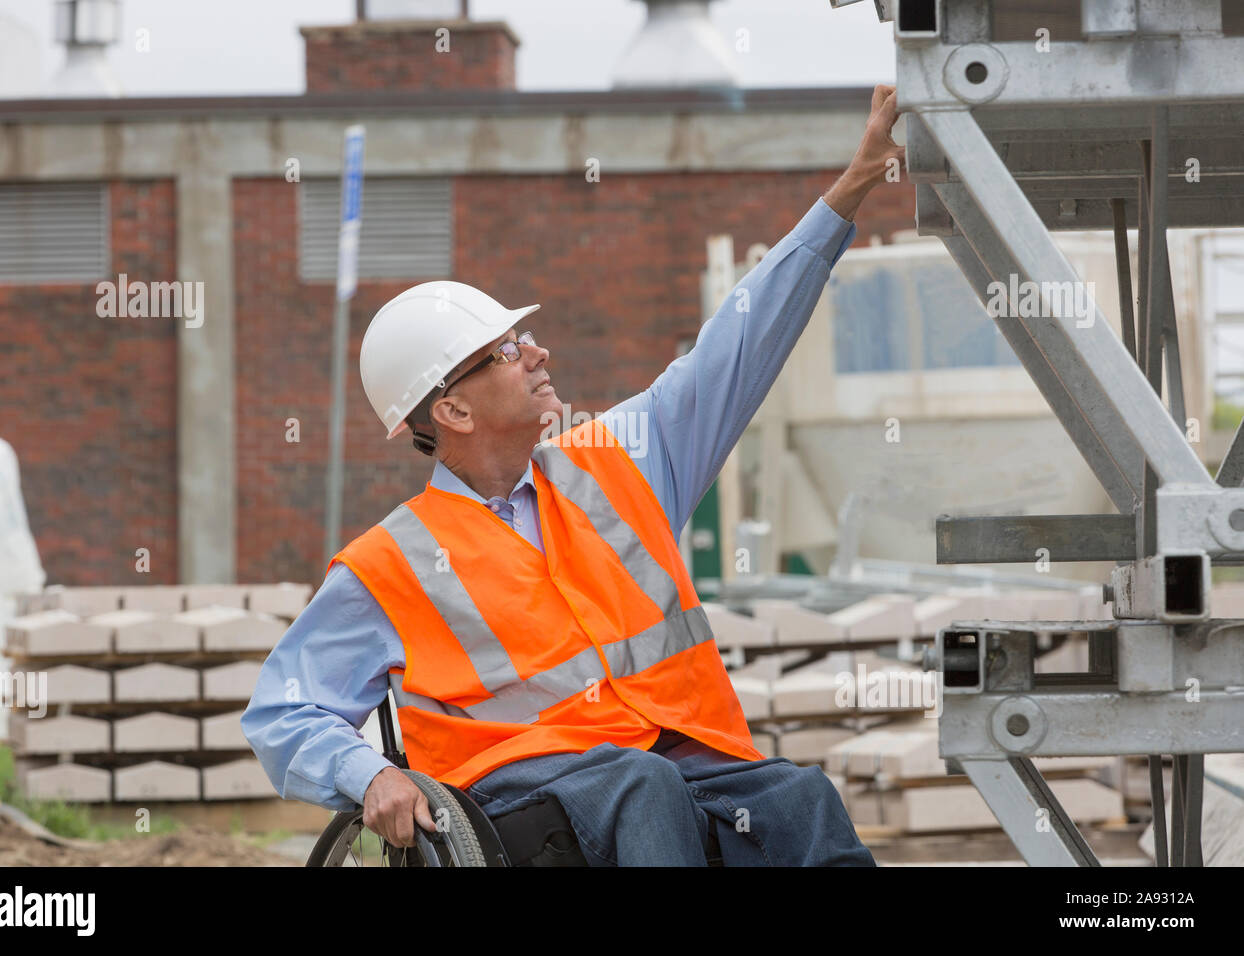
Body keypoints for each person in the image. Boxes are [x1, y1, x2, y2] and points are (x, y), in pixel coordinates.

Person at [243, 85, 905, 866]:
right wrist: (369, 776)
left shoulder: (619, 460)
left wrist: (851, 188)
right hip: (519, 807)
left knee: (800, 801)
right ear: (451, 412)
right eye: (508, 351)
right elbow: (284, 712)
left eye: (525, 337)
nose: (538, 354)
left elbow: (738, 343)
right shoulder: (388, 564)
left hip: (677, 765)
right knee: (641, 788)